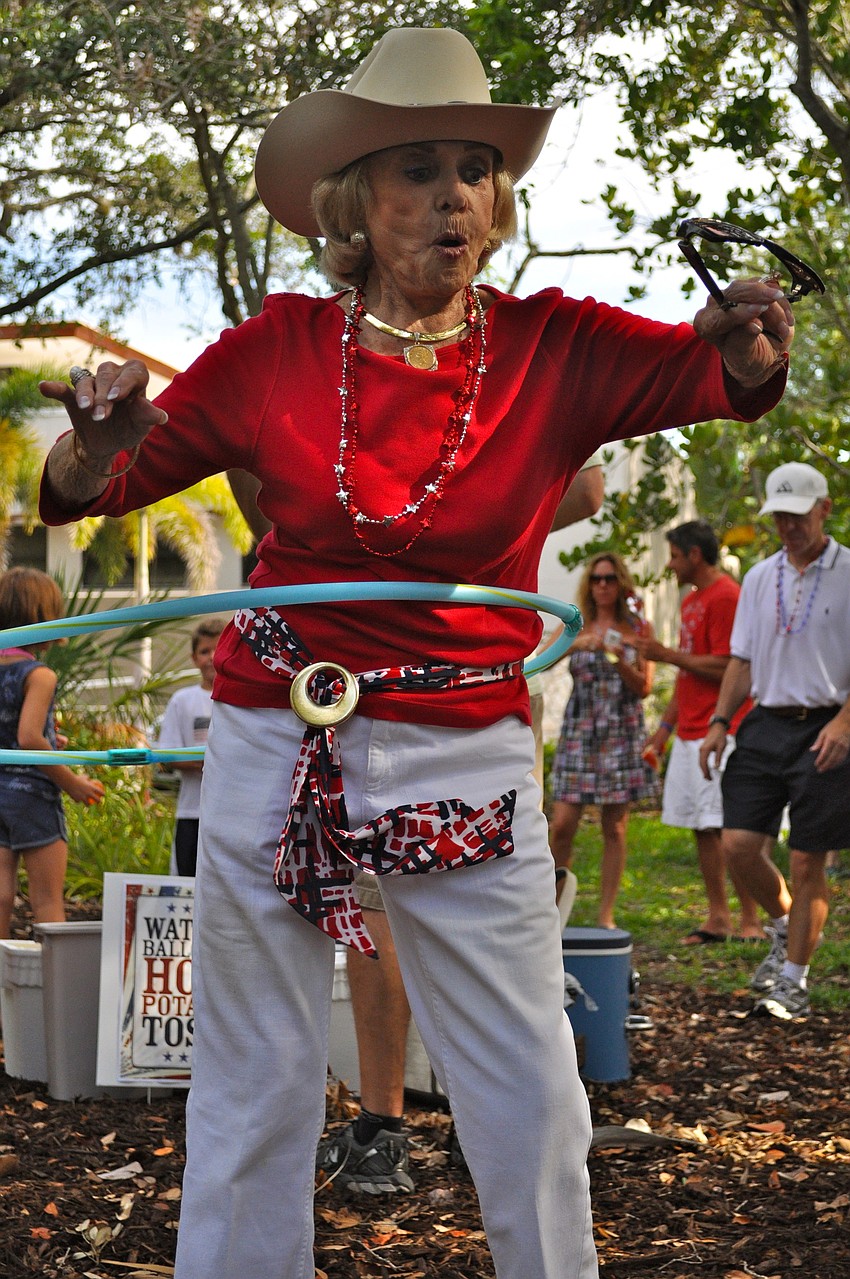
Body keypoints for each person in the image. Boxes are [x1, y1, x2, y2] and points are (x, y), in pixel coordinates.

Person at [36, 26, 792, 1279]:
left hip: (467, 746)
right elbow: (87, 487)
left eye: (476, 169)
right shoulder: (275, 349)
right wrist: (94, 435)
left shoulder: (558, 347)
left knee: (530, 1085)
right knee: (253, 1079)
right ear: (353, 204)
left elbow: (722, 373)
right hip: (279, 731)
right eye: (419, 171)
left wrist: (750, 345)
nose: (456, 195)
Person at [317, 453, 605, 1196]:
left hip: (474, 690)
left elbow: (586, 484)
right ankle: (383, 1122)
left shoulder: (516, 363)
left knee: (493, 917)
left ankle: (521, 1130)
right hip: (360, 683)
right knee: (375, 892)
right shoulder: (337, 364)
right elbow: (258, 487)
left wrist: (457, 520)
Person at [700, 462, 850, 1021]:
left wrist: (843, 723)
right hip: (766, 721)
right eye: (780, 515)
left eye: (799, 513)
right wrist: (719, 721)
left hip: (829, 724)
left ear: (825, 508)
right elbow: (741, 658)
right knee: (738, 844)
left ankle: (793, 979)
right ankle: (789, 926)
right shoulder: (761, 577)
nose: (789, 525)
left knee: (809, 854)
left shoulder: (848, 571)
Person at [637, 520, 765, 943]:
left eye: (674, 555)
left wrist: (665, 653)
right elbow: (688, 672)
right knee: (702, 827)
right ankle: (718, 919)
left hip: (722, 728)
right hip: (690, 730)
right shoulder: (692, 601)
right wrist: (664, 730)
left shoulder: (727, 595)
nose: (670, 565)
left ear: (694, 554)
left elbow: (732, 665)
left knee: (731, 827)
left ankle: (752, 921)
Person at [548, 552, 657, 929]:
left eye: (610, 578)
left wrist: (615, 656)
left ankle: (605, 915)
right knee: (562, 824)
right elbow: (539, 659)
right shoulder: (577, 625)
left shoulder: (638, 629)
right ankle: (550, 910)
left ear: (622, 582)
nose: (603, 585)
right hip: (580, 732)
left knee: (615, 826)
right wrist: (575, 645)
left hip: (620, 733)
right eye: (596, 579)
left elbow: (644, 687)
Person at [0, 568, 104, 937]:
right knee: (47, 902)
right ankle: (50, 990)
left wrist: (46, 735)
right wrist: (72, 782)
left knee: (1, 896)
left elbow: (14, 730)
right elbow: (28, 739)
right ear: (44, 615)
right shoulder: (38, 674)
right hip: (31, 795)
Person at [156, 618, 225, 877]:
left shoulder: (242, 702)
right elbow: (168, 755)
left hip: (230, 815)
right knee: (187, 884)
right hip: (191, 812)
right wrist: (215, 763)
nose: (211, 658)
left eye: (218, 649)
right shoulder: (182, 700)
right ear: (194, 658)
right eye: (205, 651)